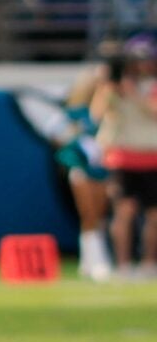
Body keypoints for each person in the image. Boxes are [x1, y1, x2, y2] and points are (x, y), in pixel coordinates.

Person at [96, 41, 157, 277]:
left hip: (151, 157)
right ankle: (123, 265)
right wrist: (107, 86)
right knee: (124, 212)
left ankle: (149, 264)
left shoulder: (151, 87)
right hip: (123, 157)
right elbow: (97, 113)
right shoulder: (114, 88)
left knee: (154, 215)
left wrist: (134, 94)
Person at [59, 60, 117, 281]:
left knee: (100, 215)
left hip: (101, 168)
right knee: (88, 214)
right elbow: (64, 140)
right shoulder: (75, 113)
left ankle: (93, 260)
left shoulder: (109, 111)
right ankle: (94, 261)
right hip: (82, 167)